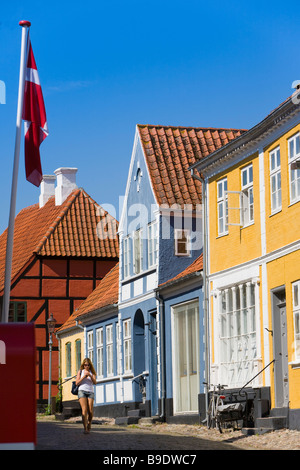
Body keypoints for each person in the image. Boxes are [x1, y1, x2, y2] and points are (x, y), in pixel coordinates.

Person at [76, 357, 97, 434]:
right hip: (82, 391)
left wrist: (90, 376)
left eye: (88, 365)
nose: (86, 366)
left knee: (90, 411)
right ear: (83, 365)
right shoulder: (80, 372)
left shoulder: (93, 372)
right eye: (85, 365)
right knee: (84, 410)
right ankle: (85, 428)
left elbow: (95, 382)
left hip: (90, 392)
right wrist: (84, 377)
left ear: (90, 365)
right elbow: (77, 383)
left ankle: (89, 423)